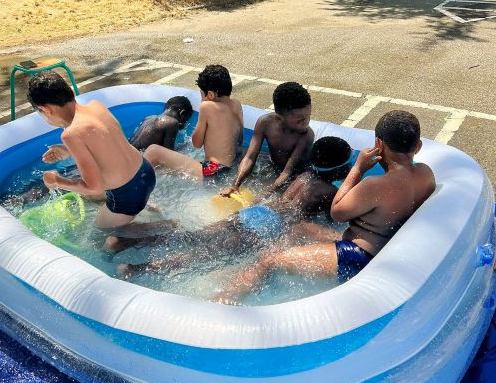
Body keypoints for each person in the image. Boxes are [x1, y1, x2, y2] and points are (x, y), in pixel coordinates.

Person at [214, 110, 436, 303]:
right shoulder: (425, 174)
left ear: (378, 144)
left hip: (357, 257)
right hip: (375, 245)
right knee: (300, 229)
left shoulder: (375, 185)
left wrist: (358, 169)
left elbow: (337, 211)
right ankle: (265, 267)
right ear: (418, 146)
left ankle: (222, 299)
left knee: (267, 261)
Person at [111, 136, 353, 275]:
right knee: (202, 255)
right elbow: (337, 218)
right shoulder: (329, 191)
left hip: (255, 213)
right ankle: (136, 269)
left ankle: (124, 242)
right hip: (265, 227)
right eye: (347, 164)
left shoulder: (303, 177)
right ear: (339, 168)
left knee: (195, 237)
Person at [27, 72, 158, 230]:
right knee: (104, 201)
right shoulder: (96, 106)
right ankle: (149, 207)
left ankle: (165, 226)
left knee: (100, 232)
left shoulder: (70, 134)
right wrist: (69, 151)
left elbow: (94, 187)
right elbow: (107, 148)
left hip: (128, 191)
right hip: (145, 170)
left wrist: (57, 181)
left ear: (45, 109)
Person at [143, 65, 243, 180]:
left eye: (202, 94)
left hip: (212, 170)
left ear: (210, 95)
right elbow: (240, 139)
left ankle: (135, 182)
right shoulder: (236, 104)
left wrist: (203, 104)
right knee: (163, 166)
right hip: (228, 169)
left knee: (153, 151)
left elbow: (196, 143)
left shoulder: (207, 106)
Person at [221, 81, 313, 195]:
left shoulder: (306, 136)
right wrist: (235, 185)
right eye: (300, 120)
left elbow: (287, 173)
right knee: (238, 155)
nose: (306, 123)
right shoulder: (265, 123)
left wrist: (263, 195)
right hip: (274, 167)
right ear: (280, 117)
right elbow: (250, 157)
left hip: (295, 174)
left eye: (309, 117)